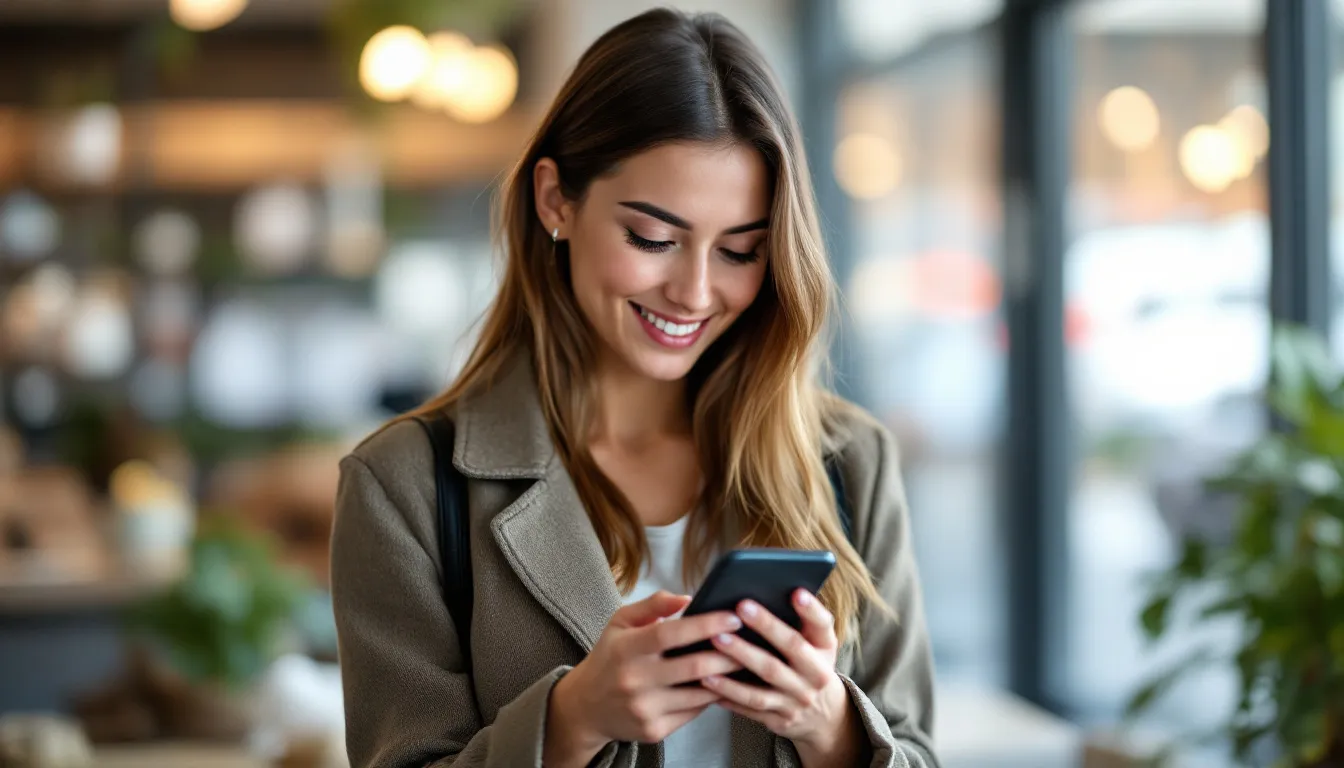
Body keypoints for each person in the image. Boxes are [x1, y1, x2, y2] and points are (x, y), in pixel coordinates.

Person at [330, 8, 939, 768]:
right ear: (556, 201)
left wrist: (830, 726)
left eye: (741, 251)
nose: (693, 291)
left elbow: (915, 749)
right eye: (653, 239)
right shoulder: (406, 488)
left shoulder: (849, 462)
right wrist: (570, 721)